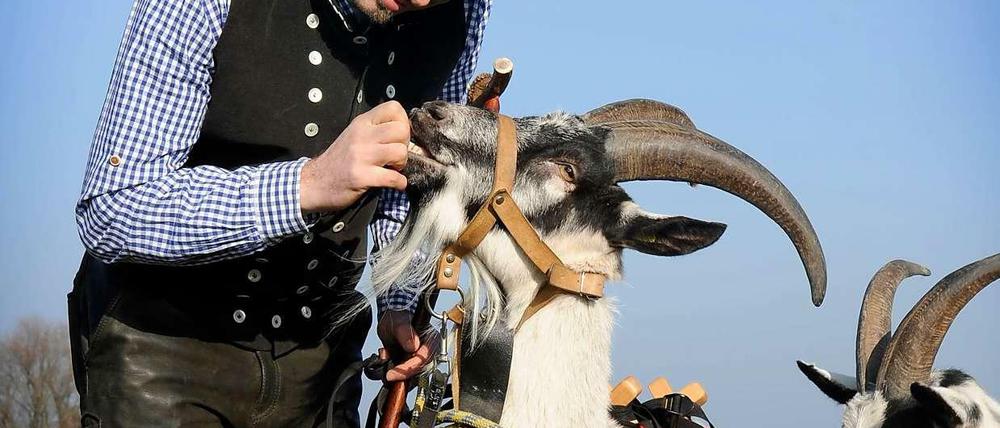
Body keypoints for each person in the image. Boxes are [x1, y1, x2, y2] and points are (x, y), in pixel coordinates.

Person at [70, 0, 492, 426]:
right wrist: (308, 185)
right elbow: (113, 208)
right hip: (163, 350)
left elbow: (407, 185)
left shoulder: (467, 11)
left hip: (324, 365)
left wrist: (399, 302)